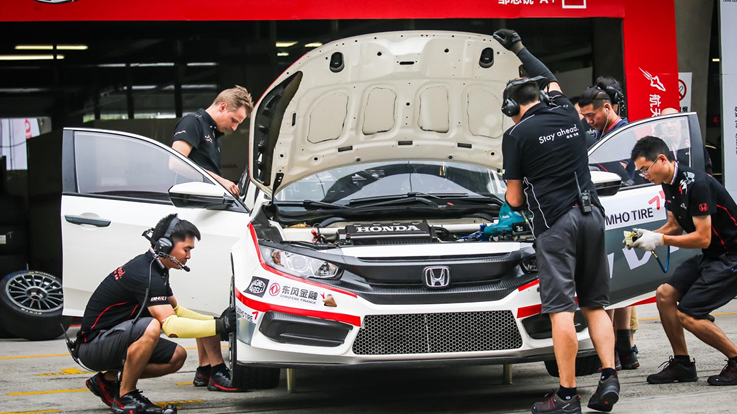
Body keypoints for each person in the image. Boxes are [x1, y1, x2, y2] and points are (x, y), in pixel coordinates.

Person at [493, 28, 619, 414]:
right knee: (595, 304)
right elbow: (549, 77)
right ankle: (609, 377)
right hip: (592, 215)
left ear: (511, 108)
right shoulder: (567, 111)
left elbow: (515, 199)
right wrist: (519, 47)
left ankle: (566, 396)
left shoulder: (516, 135)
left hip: (556, 226)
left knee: (562, 309)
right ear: (541, 95)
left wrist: (511, 199)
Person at [74, 214, 239, 413]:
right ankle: (126, 396)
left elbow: (176, 311)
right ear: (164, 246)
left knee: (177, 356)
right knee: (152, 326)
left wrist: (216, 322)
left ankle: (107, 380)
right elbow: (171, 326)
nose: (188, 256)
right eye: (186, 249)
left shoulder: (156, 267)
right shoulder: (146, 273)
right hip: (92, 346)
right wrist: (221, 325)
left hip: (112, 339)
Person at [628, 136, 737, 386]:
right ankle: (682, 364)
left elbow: (703, 238)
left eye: (645, 169)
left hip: (731, 255)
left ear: (662, 159)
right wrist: (646, 236)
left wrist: (660, 240)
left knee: (689, 314)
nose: (644, 176)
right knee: (665, 294)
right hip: (713, 255)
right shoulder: (668, 183)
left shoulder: (696, 184)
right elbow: (674, 226)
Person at [172, 85, 253, 197]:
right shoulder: (192, 122)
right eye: (234, 120)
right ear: (222, 107)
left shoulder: (215, 136)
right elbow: (176, 163)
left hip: (207, 201)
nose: (234, 128)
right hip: (191, 201)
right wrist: (219, 180)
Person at [658, 107, 713, 175]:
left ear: (680, 123)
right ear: (660, 126)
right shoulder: (658, 148)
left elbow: (707, 172)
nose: (669, 126)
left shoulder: (693, 145)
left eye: (673, 121)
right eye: (664, 123)